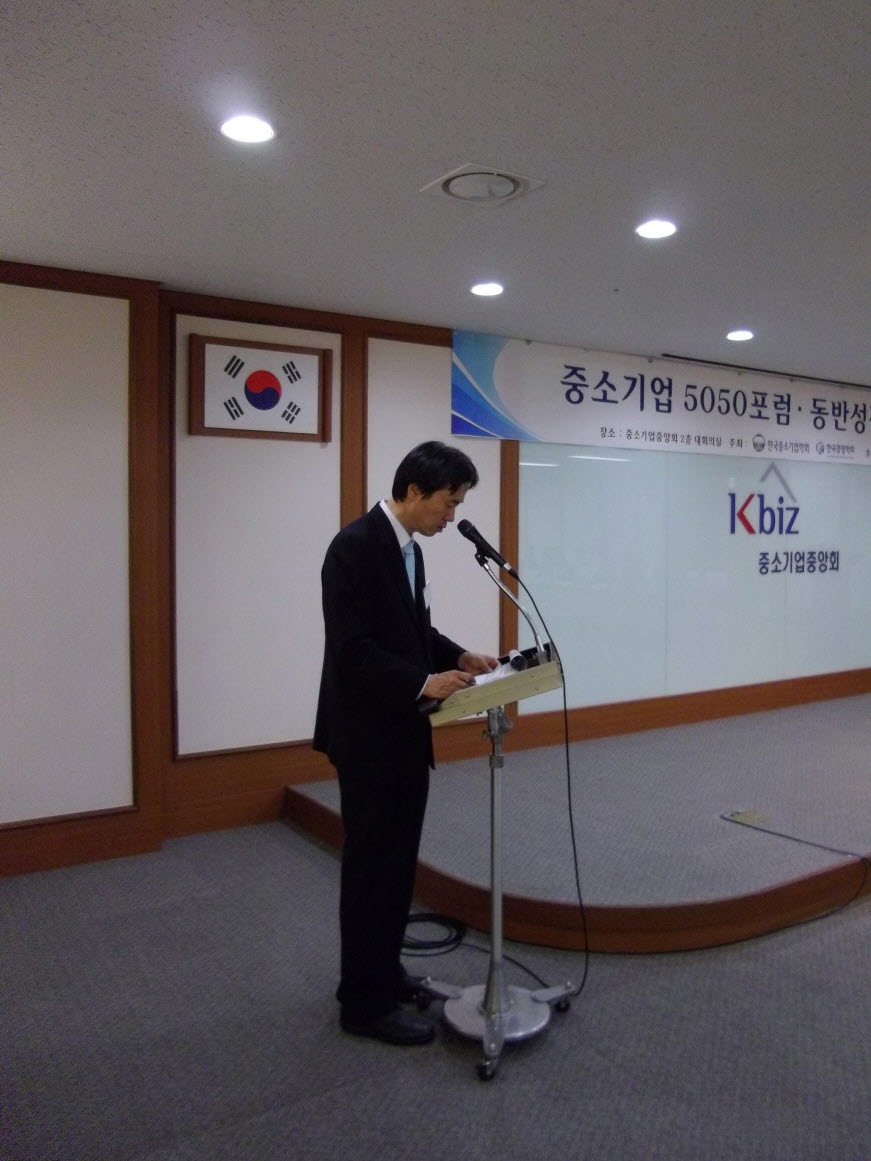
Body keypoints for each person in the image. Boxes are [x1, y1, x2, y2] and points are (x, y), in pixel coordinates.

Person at [313, 440, 497, 1045]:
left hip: (404, 733)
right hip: (368, 738)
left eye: (459, 504)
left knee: (397, 868)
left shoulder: (408, 549)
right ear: (414, 490)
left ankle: (385, 974)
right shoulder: (354, 547)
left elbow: (413, 632)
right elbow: (353, 650)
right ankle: (362, 1004)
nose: (452, 515)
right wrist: (422, 682)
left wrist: (456, 656)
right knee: (371, 870)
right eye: (449, 502)